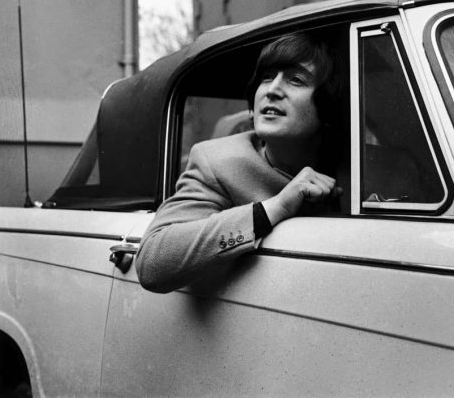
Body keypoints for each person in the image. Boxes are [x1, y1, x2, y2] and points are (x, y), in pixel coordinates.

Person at [136, 32, 343, 293]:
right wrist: (273, 208)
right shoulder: (219, 162)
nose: (272, 90)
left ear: (330, 104)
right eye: (267, 77)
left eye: (296, 80)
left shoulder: (369, 168)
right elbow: (152, 263)